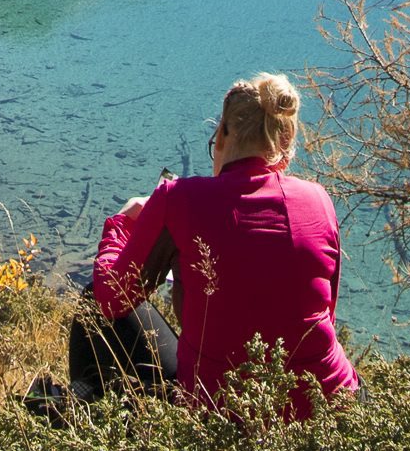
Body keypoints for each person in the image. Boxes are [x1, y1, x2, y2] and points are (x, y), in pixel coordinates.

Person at [85, 74, 356, 416]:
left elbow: (112, 298)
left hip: (223, 413)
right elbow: (325, 313)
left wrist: (122, 225)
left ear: (223, 134)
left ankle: (85, 420)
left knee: (92, 301)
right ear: (282, 146)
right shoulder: (319, 201)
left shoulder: (178, 198)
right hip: (333, 409)